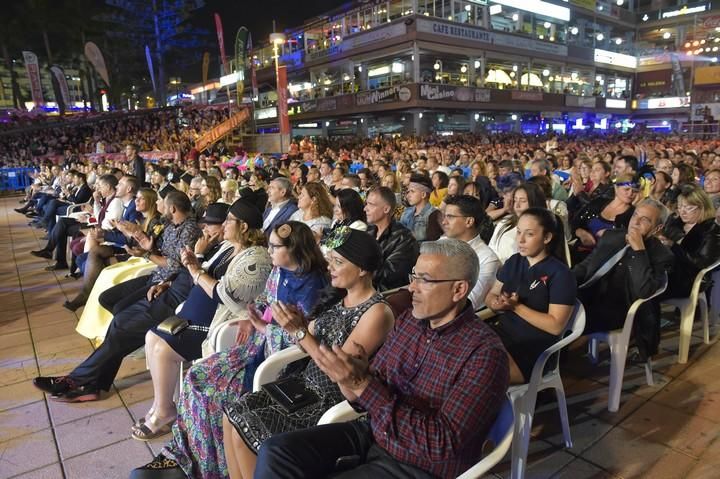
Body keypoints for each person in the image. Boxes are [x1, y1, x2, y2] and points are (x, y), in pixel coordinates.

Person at [253, 239, 509, 478]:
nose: (412, 287)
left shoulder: (484, 354)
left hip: (419, 465)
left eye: (425, 280)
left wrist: (361, 385)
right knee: (277, 452)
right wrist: (349, 378)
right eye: (413, 276)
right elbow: (368, 390)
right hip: (376, 434)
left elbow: (442, 444)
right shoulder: (410, 321)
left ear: (458, 289)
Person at [130, 221, 328, 479]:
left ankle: (216, 466)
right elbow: (265, 301)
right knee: (195, 377)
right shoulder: (281, 271)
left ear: (295, 249)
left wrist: (268, 330)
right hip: (257, 343)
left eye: (274, 247)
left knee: (211, 394)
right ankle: (191, 453)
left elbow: (304, 340)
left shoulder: (312, 287)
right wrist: (253, 317)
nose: (268, 252)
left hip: (278, 360)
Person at [221, 228, 395, 478]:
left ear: (362, 269)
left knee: (246, 426)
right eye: (330, 260)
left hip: (328, 398)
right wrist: (296, 324)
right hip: (303, 386)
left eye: (338, 262)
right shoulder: (339, 298)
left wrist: (301, 332)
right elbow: (306, 341)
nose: (330, 267)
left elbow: (338, 369)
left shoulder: (377, 312)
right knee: (232, 413)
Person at [134, 200, 272, 440]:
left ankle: (165, 412)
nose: (224, 224)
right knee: (151, 337)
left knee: (163, 350)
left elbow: (227, 295)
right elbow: (205, 270)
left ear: (244, 226)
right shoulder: (229, 246)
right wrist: (193, 261)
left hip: (216, 321)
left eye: (229, 220)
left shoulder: (257, 258)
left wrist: (195, 270)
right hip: (195, 312)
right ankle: (160, 405)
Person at [574, 199, 674, 360]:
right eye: (635, 215)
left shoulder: (662, 256)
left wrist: (638, 251)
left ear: (657, 228)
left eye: (645, 220)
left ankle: (546, 368)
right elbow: (586, 267)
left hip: (621, 311)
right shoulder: (612, 236)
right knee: (547, 302)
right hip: (591, 297)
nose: (636, 221)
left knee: (558, 318)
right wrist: (561, 281)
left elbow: (644, 291)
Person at [485, 208, 576, 383]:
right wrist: (495, 303)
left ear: (547, 238)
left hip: (533, 349)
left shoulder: (560, 273)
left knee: (473, 370)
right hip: (502, 335)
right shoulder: (515, 261)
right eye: (518, 232)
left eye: (529, 234)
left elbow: (556, 326)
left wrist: (516, 307)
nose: (520, 239)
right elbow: (492, 294)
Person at [659, 185, 720, 299]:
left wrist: (673, 246)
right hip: (671, 271)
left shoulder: (711, 230)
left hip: (688, 280)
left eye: (688, 208)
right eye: (680, 207)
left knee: (644, 285)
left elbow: (701, 263)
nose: (682, 211)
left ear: (701, 207)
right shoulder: (677, 223)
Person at [442, 194, 500, 310]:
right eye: (444, 216)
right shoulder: (441, 242)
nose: (444, 222)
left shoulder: (487, 259)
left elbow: (469, 302)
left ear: (469, 221)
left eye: (450, 217)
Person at [571, 174, 638, 263]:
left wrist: (609, 236)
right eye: (626, 189)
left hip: (605, 262)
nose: (630, 193)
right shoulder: (599, 202)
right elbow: (575, 222)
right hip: (578, 254)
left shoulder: (634, 214)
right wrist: (581, 233)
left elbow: (630, 239)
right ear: (616, 188)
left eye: (634, 191)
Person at [365, 186, 419, 291]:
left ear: (386, 209)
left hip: (386, 297)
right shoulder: (369, 231)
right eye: (366, 204)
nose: (365, 208)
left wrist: (356, 262)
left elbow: (389, 275)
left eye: (371, 205)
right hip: (364, 290)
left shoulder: (405, 238)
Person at [489, 183, 546, 263]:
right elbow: (491, 247)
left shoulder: (545, 226)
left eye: (523, 201)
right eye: (515, 200)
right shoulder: (505, 222)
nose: (517, 205)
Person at [400, 173, 442, 242]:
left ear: (423, 195)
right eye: (408, 192)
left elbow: (432, 244)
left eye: (412, 192)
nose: (408, 196)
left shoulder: (434, 215)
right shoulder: (406, 212)